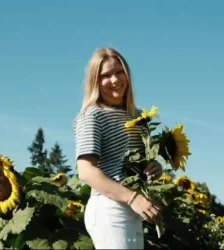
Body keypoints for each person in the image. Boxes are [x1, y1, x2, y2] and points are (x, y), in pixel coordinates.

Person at [73, 47, 163, 249]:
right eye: (105, 75)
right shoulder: (93, 115)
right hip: (110, 208)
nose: (114, 80)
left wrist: (154, 167)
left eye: (119, 72)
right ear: (95, 81)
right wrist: (133, 199)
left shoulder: (138, 117)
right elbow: (86, 171)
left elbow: (131, 161)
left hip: (133, 207)